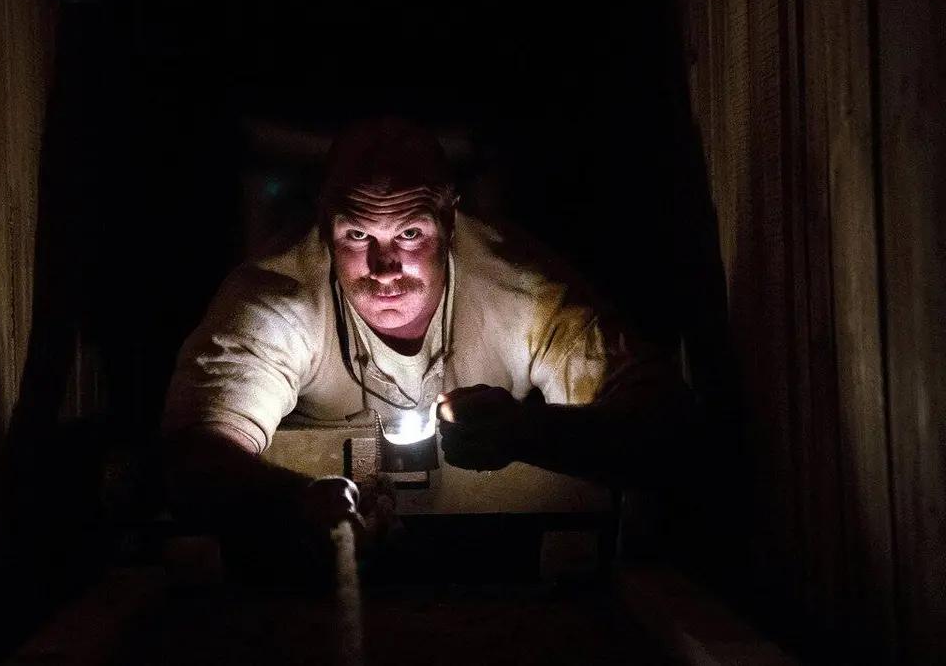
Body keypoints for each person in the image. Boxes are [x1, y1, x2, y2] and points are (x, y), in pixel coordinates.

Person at [158, 116, 692, 577]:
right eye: (358, 235)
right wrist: (296, 503)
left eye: (410, 234)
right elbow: (189, 460)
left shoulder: (523, 291)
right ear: (324, 223)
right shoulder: (276, 300)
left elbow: (664, 424)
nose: (384, 267)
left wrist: (527, 431)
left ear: (449, 220)